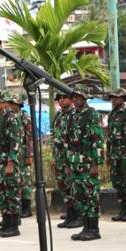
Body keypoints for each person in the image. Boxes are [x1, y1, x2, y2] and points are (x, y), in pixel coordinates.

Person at [68, 86, 103, 242]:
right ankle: (85, 227)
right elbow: (68, 141)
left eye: (79, 97)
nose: (76, 99)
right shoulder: (72, 115)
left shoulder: (92, 114)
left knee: (91, 195)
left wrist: (96, 163)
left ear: (85, 98)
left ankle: (94, 229)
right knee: (79, 195)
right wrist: (68, 162)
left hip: (88, 161)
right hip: (75, 161)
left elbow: (97, 139)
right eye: (74, 97)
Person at [0, 93, 25, 238]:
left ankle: (14, 226)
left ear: (4, 103)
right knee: (1, 194)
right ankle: (5, 223)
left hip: (7, 162)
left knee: (11, 193)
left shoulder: (11, 117)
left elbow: (15, 142)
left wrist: (11, 163)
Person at [106, 87, 126, 223]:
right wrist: (108, 154)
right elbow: (109, 137)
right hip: (114, 153)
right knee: (117, 182)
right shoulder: (112, 114)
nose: (114, 100)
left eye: (117, 97)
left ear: (123, 99)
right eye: (113, 98)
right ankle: (123, 209)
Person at [52, 92, 80, 228]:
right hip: (59, 156)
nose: (61, 100)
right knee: (63, 186)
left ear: (71, 99)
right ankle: (70, 214)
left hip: (71, 157)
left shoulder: (75, 115)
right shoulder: (59, 115)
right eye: (59, 99)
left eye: (64, 97)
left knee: (73, 186)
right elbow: (55, 136)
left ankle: (78, 216)